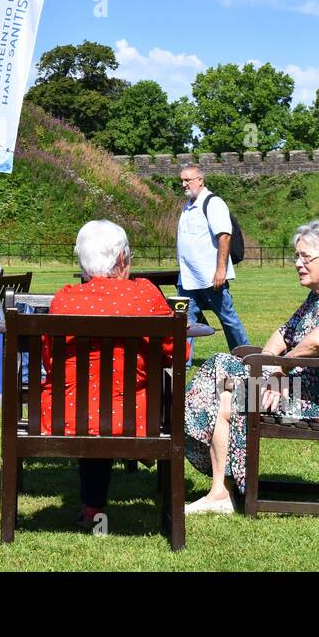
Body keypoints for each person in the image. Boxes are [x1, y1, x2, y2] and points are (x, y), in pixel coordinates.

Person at [182, 220, 319, 514]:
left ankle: (220, 485)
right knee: (221, 365)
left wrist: (278, 373)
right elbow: (283, 333)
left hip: (317, 397)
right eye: (297, 256)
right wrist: (269, 369)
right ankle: (220, 484)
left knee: (228, 399)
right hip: (297, 386)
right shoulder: (317, 299)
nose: (298, 263)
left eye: (306, 257)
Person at [43, 220, 190, 530]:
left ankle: (91, 508)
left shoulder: (64, 299)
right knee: (109, 401)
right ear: (123, 259)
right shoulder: (145, 296)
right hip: (135, 417)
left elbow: (51, 360)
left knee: (90, 400)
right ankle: (143, 470)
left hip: (67, 414)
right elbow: (179, 353)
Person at [175, 165, 249, 350]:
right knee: (185, 322)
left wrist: (221, 270)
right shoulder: (189, 205)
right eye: (181, 180)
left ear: (200, 180)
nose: (183, 184)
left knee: (228, 318)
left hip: (209, 277)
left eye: (187, 180)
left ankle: (245, 354)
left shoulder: (213, 203)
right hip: (188, 277)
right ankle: (182, 361)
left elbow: (224, 236)